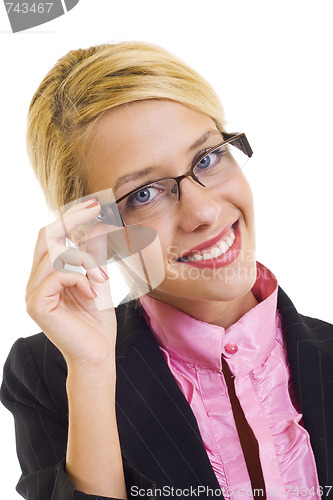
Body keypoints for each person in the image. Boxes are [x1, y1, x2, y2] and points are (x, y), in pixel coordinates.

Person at [1, 41, 332, 500]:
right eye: (143, 193)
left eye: (207, 158)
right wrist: (94, 371)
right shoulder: (50, 375)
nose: (204, 212)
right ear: (93, 231)